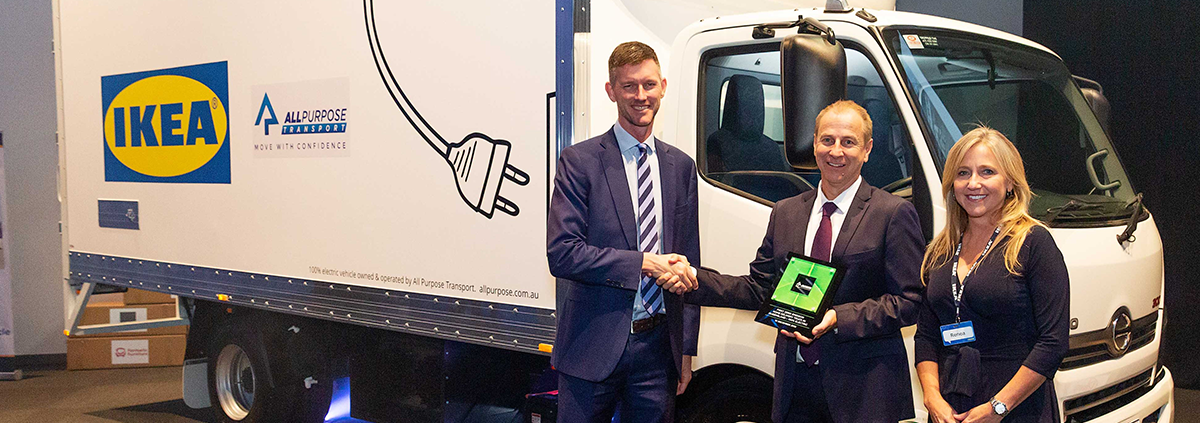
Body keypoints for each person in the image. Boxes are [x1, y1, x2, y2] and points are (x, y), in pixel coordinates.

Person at [685, 100, 924, 423]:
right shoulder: (786, 211)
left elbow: (909, 302)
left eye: (848, 142)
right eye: (827, 140)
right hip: (795, 383)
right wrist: (692, 279)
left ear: (867, 149)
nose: (836, 151)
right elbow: (759, 289)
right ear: (813, 145)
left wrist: (839, 317)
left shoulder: (892, 213)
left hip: (863, 389)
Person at [546, 41, 701, 423]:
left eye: (649, 84)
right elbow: (562, 252)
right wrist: (643, 263)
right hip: (590, 349)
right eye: (629, 86)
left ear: (663, 86)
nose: (640, 95)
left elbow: (689, 263)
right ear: (611, 90)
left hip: (657, 353)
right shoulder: (579, 161)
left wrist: (685, 350)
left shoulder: (681, 166)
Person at [914, 127, 1069, 423]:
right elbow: (926, 336)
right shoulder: (940, 250)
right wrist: (933, 398)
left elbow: (1053, 342)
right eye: (963, 173)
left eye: (987, 172)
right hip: (951, 409)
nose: (973, 183)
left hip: (1017, 409)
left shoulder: (1033, 243)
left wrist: (998, 407)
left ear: (1010, 182)